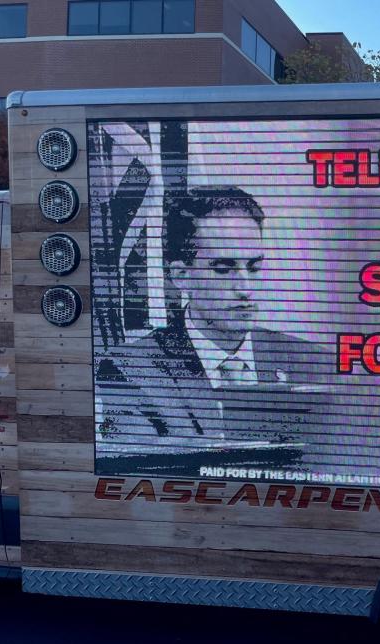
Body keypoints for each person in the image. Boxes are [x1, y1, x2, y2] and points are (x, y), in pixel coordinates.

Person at [95, 185, 333, 470]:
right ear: (182, 276)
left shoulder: (313, 361)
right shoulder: (132, 371)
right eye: (223, 269)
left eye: (254, 268)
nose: (245, 288)